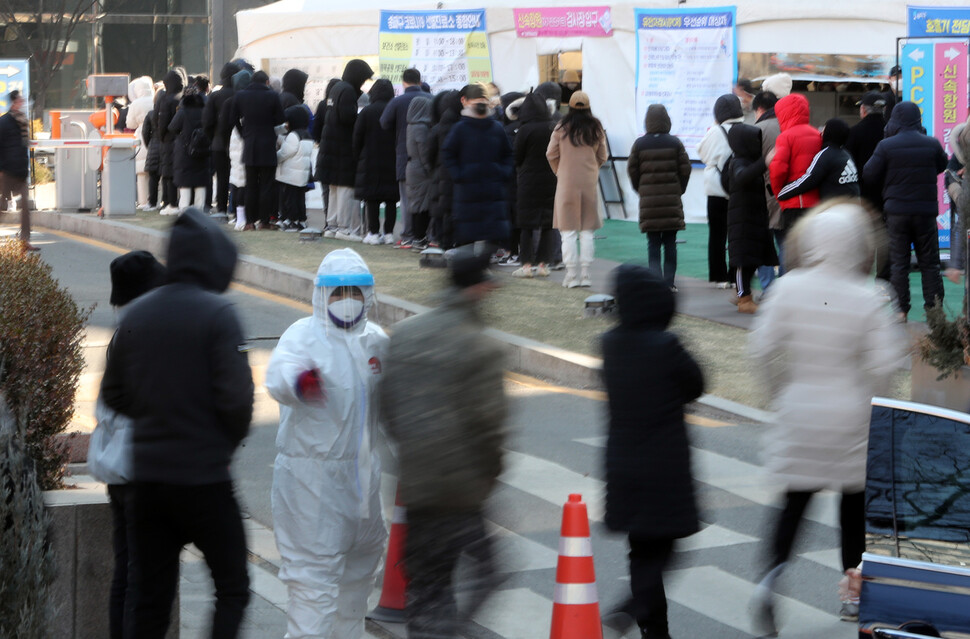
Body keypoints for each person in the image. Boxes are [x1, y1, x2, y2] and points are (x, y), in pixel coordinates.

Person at [748, 201, 905, 634]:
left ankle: (768, 580)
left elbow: (760, 350)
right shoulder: (871, 294)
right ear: (858, 245)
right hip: (852, 413)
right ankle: (854, 597)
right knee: (853, 511)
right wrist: (879, 400)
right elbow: (888, 362)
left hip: (799, 408)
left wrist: (778, 391)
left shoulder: (787, 287)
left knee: (793, 504)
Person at [99, 208, 255, 639]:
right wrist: (219, 442)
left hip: (147, 482)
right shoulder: (218, 314)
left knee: (148, 597)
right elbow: (237, 400)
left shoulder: (137, 315)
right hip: (205, 478)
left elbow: (112, 395)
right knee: (232, 587)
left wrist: (154, 416)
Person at [381, 248, 508, 639]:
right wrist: (488, 478)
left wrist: (414, 454)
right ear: (477, 289)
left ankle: (437, 630)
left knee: (424, 584)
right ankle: (456, 631)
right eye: (488, 285)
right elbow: (490, 428)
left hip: (417, 486)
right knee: (487, 571)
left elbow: (387, 407)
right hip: (461, 492)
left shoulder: (405, 334)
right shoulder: (480, 346)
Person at [265, 248, 388, 639]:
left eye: (354, 291)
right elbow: (279, 375)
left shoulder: (377, 342)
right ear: (321, 295)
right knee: (313, 593)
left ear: (367, 295)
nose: (346, 299)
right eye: (337, 292)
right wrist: (301, 382)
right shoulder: (304, 336)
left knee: (356, 586)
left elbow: (395, 399)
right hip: (310, 485)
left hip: (363, 484)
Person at [602, 264, 704, 639]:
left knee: (641, 551)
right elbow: (696, 384)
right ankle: (633, 606)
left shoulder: (610, 344)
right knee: (668, 549)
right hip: (664, 466)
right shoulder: (666, 346)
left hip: (623, 463)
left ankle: (654, 630)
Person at [87, 250, 166, 639]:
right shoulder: (143, 332)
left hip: (120, 471)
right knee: (141, 576)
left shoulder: (124, 330)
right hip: (140, 469)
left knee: (128, 570)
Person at [863, 101, 948, 320]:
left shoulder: (886, 146)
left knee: (899, 263)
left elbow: (869, 173)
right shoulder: (932, 143)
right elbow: (942, 166)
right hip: (926, 212)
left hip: (896, 212)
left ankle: (901, 311)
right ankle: (934, 311)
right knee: (930, 263)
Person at [441, 83, 514, 251]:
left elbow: (508, 154)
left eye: (484, 101)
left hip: (493, 192)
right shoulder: (460, 129)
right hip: (468, 192)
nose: (481, 105)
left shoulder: (496, 128)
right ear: (466, 102)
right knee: (468, 237)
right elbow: (448, 153)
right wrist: (459, 175)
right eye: (477, 101)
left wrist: (503, 173)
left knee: (490, 238)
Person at [546, 91, 608, 288]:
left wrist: (560, 171)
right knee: (587, 231)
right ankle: (586, 275)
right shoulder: (596, 127)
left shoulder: (561, 127)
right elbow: (602, 155)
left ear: (570, 107)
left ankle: (571, 275)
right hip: (589, 182)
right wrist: (592, 168)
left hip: (566, 183)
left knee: (568, 232)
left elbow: (551, 154)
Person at [627, 103, 691, 291]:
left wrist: (641, 189)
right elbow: (685, 169)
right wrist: (679, 189)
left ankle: (655, 285)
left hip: (649, 201)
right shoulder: (675, 143)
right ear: (667, 120)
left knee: (653, 244)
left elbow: (632, 170)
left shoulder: (640, 144)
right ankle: (669, 283)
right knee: (670, 243)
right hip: (671, 201)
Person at [724, 123, 778, 313]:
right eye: (754, 140)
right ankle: (743, 298)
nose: (757, 144)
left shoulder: (747, 161)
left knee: (752, 257)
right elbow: (741, 178)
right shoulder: (738, 162)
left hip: (753, 216)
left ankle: (742, 293)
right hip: (742, 216)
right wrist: (765, 162)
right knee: (743, 260)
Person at [319, 59, 373, 241]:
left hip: (331, 145)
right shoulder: (348, 91)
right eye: (363, 79)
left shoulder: (337, 88)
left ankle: (332, 226)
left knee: (334, 188)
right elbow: (348, 117)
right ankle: (344, 228)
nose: (364, 83)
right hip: (343, 147)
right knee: (345, 189)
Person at [697, 94, 744, 288]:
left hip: (716, 190)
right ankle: (736, 276)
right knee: (737, 235)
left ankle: (719, 277)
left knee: (717, 235)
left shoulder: (715, 132)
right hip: (740, 190)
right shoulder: (747, 129)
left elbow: (701, 152)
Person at [230, 70, 285, 230]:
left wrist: (243, 133)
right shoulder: (273, 96)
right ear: (267, 82)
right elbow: (280, 119)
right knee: (267, 185)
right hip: (267, 144)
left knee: (251, 185)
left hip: (250, 144)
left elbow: (232, 118)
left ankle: (249, 222)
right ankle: (264, 221)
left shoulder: (241, 96)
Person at [512, 91, 558, 278]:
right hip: (551, 179)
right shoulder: (553, 127)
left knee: (527, 224)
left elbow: (517, 156)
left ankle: (526, 265)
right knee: (547, 223)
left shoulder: (524, 129)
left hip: (528, 180)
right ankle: (542, 264)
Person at [380, 68, 426, 246]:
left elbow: (384, 123)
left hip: (404, 154)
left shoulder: (397, 101)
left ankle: (408, 235)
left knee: (407, 199)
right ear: (420, 82)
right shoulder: (430, 99)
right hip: (428, 156)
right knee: (427, 198)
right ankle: (425, 235)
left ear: (403, 83)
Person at [353, 79, 399, 245]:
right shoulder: (394, 109)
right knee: (391, 199)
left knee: (371, 198)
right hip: (392, 159)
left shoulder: (367, 111)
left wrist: (358, 156)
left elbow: (357, 137)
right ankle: (388, 234)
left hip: (370, 160)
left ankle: (373, 232)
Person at [769, 93, 822, 233]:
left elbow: (778, 169)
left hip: (794, 202)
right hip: (816, 202)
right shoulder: (817, 134)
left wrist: (779, 194)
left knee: (794, 250)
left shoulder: (785, 137)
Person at [777, 118, 859, 203]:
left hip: (836, 206)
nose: (821, 133)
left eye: (824, 130)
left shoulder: (826, 154)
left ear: (829, 133)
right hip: (854, 205)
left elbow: (809, 180)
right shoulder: (846, 154)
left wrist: (782, 193)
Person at [202, 62, 241, 215]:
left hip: (218, 143)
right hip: (238, 141)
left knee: (222, 177)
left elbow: (207, 122)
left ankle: (222, 208)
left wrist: (213, 137)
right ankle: (237, 209)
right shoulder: (239, 95)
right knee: (238, 177)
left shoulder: (215, 96)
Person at [752, 91, 783, 284]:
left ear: (760, 109)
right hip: (788, 191)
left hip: (763, 191)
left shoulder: (757, 129)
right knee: (784, 239)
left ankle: (769, 287)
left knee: (762, 241)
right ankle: (786, 287)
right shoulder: (788, 126)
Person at [428, 89, 463, 250]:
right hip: (458, 174)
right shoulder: (464, 126)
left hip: (439, 174)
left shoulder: (437, 128)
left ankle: (443, 243)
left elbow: (429, 154)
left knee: (443, 210)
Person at [0, 90, 35, 250]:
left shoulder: (22, 121)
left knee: (25, 208)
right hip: (7, 172)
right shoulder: (4, 122)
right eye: (20, 100)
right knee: (2, 206)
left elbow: (24, 145)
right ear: (14, 102)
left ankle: (25, 240)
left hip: (20, 170)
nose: (22, 102)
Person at [169, 88, 209, 212]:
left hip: (184, 151)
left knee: (185, 181)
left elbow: (172, 127)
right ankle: (199, 209)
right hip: (202, 150)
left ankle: (184, 210)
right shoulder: (205, 111)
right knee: (200, 181)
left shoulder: (183, 112)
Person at [275, 105, 313, 231]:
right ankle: (301, 220)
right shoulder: (306, 135)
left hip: (290, 175)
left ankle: (291, 220)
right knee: (300, 199)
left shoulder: (293, 136)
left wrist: (274, 158)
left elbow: (285, 152)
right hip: (302, 175)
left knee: (289, 199)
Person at [405, 94, 435, 250]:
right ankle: (420, 238)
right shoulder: (421, 127)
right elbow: (424, 152)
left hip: (412, 168)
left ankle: (417, 237)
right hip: (421, 171)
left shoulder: (410, 125)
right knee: (423, 205)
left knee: (416, 204)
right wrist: (432, 170)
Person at [157, 68, 187, 215]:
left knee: (168, 173)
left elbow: (162, 122)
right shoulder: (183, 97)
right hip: (182, 139)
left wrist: (161, 135)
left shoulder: (166, 99)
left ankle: (171, 203)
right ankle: (179, 202)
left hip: (168, 140)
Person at [126, 76, 155, 210]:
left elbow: (130, 123)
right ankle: (156, 200)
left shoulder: (136, 104)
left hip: (141, 135)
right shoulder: (156, 99)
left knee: (142, 173)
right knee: (156, 171)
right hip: (156, 136)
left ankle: (143, 202)